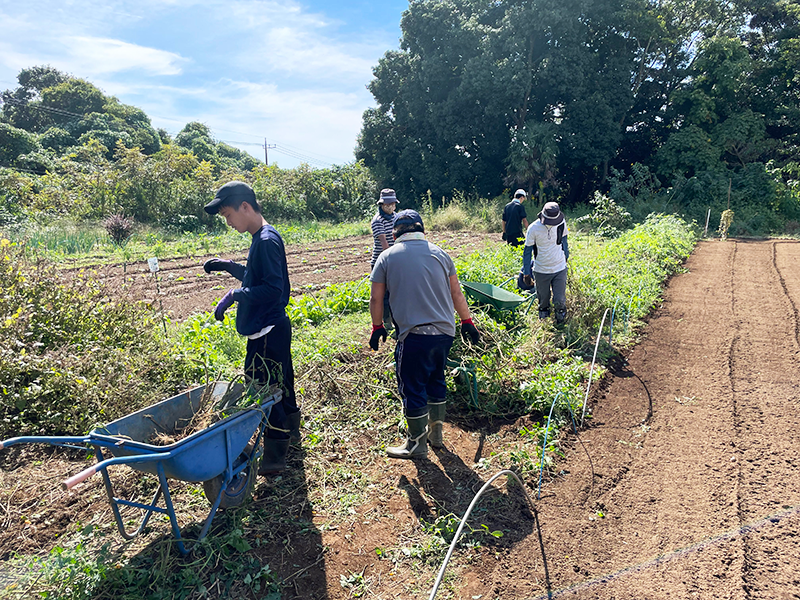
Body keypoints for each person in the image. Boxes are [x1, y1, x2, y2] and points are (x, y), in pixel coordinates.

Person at [202, 181, 300, 475]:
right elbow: (258, 278)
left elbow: (272, 288)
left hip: (268, 330)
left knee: (265, 390)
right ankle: (291, 434)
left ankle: (275, 455)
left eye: (229, 215)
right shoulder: (262, 237)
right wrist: (231, 267)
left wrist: (234, 295)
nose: (229, 222)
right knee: (281, 383)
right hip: (271, 328)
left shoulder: (266, 240)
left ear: (245, 206)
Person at [369, 209, 480, 459]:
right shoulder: (441, 253)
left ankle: (416, 445)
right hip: (444, 334)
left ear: (395, 232)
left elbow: (376, 297)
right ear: (421, 230)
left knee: (412, 386)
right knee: (436, 379)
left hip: (414, 335)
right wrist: (467, 321)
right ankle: (436, 436)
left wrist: (378, 327)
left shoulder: (386, 257)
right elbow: (456, 294)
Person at [522, 201, 569, 324]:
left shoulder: (561, 223)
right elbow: (527, 251)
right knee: (543, 301)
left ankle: (561, 324)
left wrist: (565, 259)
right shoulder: (533, 228)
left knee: (559, 300)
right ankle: (544, 324)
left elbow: (564, 243)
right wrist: (526, 273)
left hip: (559, 268)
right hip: (541, 270)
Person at [370, 188, 398, 333]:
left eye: (393, 204)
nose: (390, 207)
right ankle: (386, 321)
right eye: (388, 204)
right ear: (381, 204)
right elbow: (384, 244)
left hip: (395, 259)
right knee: (384, 295)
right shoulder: (377, 221)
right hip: (381, 261)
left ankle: (396, 318)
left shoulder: (396, 217)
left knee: (396, 292)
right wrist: (392, 261)